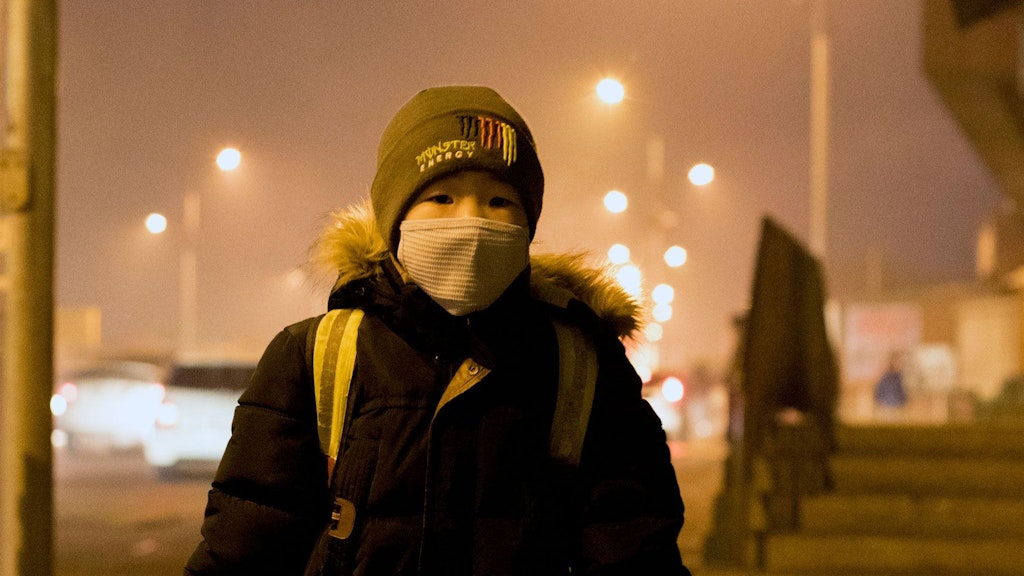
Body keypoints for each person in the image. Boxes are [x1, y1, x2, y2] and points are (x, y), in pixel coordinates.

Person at [184, 85, 692, 576]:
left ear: (528, 225)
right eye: (442, 198)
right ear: (396, 218)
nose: (471, 222)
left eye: (499, 203)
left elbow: (634, 550)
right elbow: (245, 548)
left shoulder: (582, 366)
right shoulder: (314, 357)